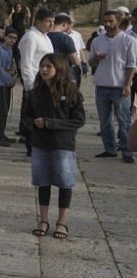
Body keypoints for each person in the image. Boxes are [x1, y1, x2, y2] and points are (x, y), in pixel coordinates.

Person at [25, 54, 85, 241]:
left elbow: (78, 120)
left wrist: (52, 123)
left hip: (63, 145)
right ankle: (43, 220)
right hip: (40, 145)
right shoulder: (34, 93)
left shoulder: (71, 91)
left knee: (65, 183)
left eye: (48, 66)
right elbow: (24, 119)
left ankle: (61, 222)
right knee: (43, 182)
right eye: (42, 66)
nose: (44, 69)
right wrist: (34, 123)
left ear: (58, 68)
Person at [89, 10, 136, 163]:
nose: (108, 24)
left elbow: (131, 65)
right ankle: (109, 148)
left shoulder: (128, 41)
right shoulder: (97, 41)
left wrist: (127, 85)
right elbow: (90, 63)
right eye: (105, 21)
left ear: (118, 22)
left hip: (120, 87)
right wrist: (96, 58)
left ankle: (126, 150)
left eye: (111, 21)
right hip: (102, 86)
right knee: (105, 121)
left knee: (124, 121)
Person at [17, 9, 55, 154]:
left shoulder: (45, 37)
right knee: (33, 116)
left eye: (53, 22)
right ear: (38, 21)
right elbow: (27, 63)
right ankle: (31, 146)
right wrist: (30, 86)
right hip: (35, 83)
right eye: (48, 21)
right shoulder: (31, 37)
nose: (51, 25)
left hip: (46, 82)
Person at [0, 28, 18, 146]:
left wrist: (13, 74)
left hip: (6, 83)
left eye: (15, 38)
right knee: (2, 109)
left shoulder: (10, 50)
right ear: (5, 37)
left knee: (5, 110)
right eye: (10, 37)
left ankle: (1, 134)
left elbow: (9, 66)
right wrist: (9, 80)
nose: (12, 40)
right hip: (0, 83)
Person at [49, 14, 81, 83]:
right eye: (68, 26)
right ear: (64, 24)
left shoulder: (45, 36)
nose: (69, 28)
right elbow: (75, 61)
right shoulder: (65, 38)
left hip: (49, 72)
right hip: (64, 73)